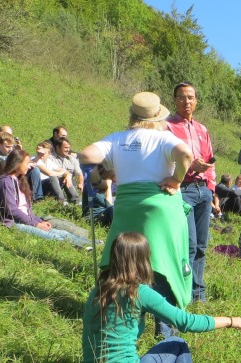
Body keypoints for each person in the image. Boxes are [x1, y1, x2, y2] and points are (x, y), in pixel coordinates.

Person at [79, 91, 195, 337]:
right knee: (163, 265)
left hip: (128, 207)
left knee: (125, 263)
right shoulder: (163, 137)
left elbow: (86, 155)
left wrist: (106, 169)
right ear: (157, 116)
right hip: (160, 206)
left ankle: (122, 319)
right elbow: (186, 154)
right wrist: (176, 179)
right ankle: (165, 330)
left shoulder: (118, 139)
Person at [82, 232, 241, 363]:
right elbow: (186, 322)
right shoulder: (139, 292)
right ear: (142, 260)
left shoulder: (97, 292)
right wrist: (230, 321)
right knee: (177, 343)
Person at [165, 82, 216, 304]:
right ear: (175, 100)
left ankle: (198, 293)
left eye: (191, 97)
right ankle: (181, 292)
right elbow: (164, 161)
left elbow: (210, 159)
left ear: (196, 101)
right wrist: (188, 167)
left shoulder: (202, 129)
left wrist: (211, 189)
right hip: (182, 190)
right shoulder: (167, 127)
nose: (187, 102)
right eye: (182, 97)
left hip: (202, 190)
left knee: (202, 245)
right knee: (189, 245)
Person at [0, 149, 90, 248]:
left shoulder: (20, 180)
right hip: (13, 222)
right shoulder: (5, 182)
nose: (29, 166)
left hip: (27, 220)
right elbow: (12, 210)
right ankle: (83, 248)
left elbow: (26, 209)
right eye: (27, 163)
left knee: (63, 232)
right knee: (54, 236)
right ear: (17, 163)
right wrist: (36, 224)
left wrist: (39, 221)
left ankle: (94, 244)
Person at [50, 137, 83, 205]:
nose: (68, 150)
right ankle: (62, 201)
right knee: (61, 178)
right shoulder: (50, 158)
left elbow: (79, 173)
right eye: (65, 148)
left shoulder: (72, 159)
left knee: (66, 178)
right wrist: (66, 176)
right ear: (58, 147)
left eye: (68, 147)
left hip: (69, 184)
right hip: (52, 185)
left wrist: (80, 183)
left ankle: (76, 202)